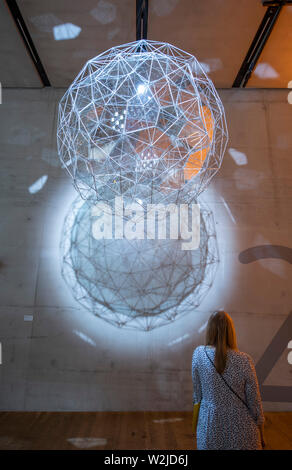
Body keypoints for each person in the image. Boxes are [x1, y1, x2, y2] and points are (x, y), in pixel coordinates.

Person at [191, 310, 265, 450]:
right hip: (241, 429)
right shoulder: (244, 360)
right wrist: (261, 433)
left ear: (210, 330)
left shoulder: (199, 354)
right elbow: (254, 401)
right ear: (231, 331)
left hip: (209, 426)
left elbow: (197, 396)